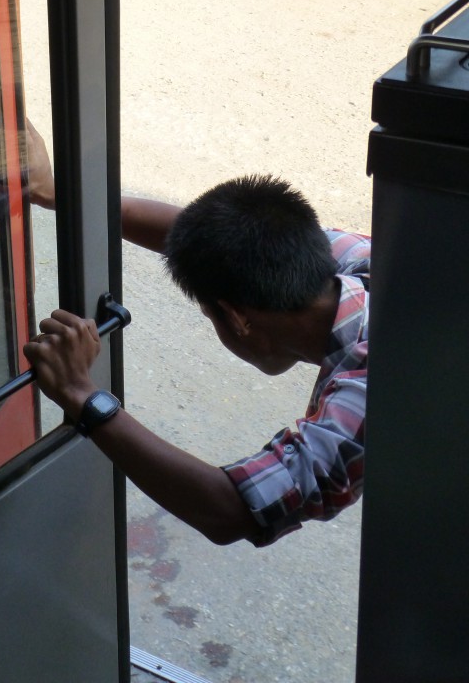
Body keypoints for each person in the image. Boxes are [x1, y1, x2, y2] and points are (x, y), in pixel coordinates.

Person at [24, 135, 368, 547]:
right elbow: (212, 241)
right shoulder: (349, 261)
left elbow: (233, 510)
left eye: (211, 315)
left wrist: (81, 395)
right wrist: (58, 195)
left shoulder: (372, 388)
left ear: (238, 317)